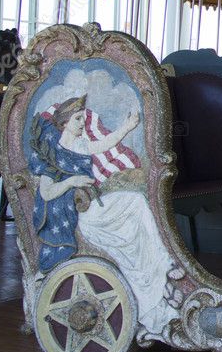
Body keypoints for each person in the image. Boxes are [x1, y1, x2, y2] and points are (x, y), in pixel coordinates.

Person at [29, 94, 178, 333]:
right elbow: (46, 193)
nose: (83, 123)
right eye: (78, 119)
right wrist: (71, 182)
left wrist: (127, 127)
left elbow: (106, 143)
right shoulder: (52, 153)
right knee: (132, 218)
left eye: (83, 118)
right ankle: (149, 295)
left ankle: (162, 261)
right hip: (83, 216)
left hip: (95, 205)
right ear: (64, 123)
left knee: (137, 202)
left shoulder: (81, 145)